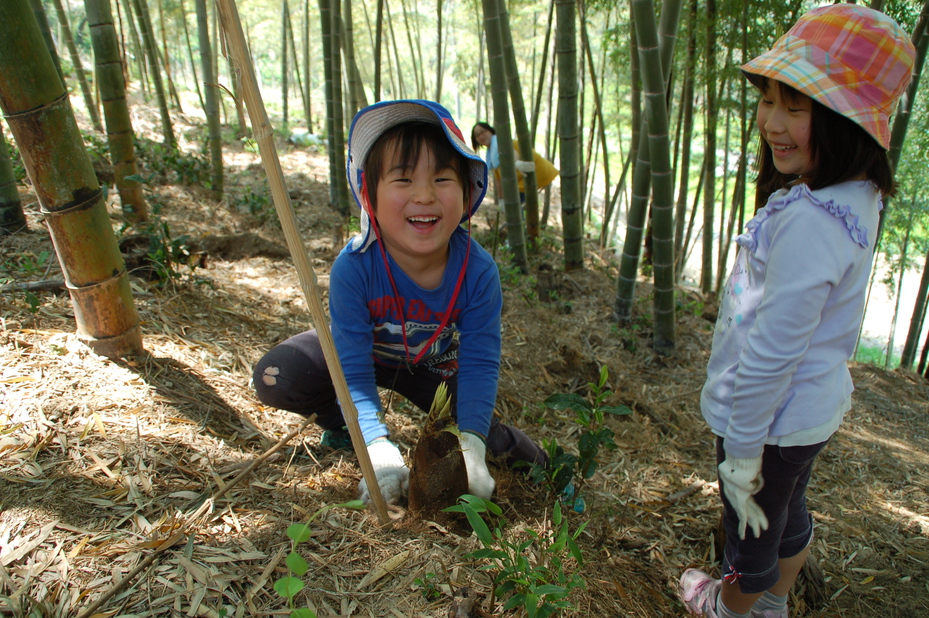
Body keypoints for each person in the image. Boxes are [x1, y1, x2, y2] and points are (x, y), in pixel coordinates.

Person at [679, 5, 915, 618]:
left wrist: (743, 451)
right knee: (786, 512)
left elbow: (771, 353)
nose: (772, 123)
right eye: (769, 101)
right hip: (811, 412)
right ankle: (774, 604)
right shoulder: (854, 193)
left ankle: (728, 608)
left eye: (796, 106)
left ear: (844, 121)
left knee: (750, 530)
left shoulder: (811, 222)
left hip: (770, 423)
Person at [253, 100, 547, 506]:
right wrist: (375, 446)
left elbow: (480, 362)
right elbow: (351, 364)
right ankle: (346, 427)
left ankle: (547, 469)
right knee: (277, 375)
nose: (424, 195)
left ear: (467, 194)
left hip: (431, 362)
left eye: (443, 178)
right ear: (369, 195)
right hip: (366, 355)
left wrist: (472, 445)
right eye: (403, 179)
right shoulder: (355, 267)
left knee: (492, 439)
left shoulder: (477, 271)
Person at [470, 122, 559, 203]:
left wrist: (516, 163)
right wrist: (501, 199)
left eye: (483, 131)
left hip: (538, 172)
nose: (481, 136)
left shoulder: (503, 142)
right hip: (522, 184)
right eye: (477, 135)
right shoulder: (491, 156)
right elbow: (498, 179)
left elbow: (512, 152)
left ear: (490, 131)